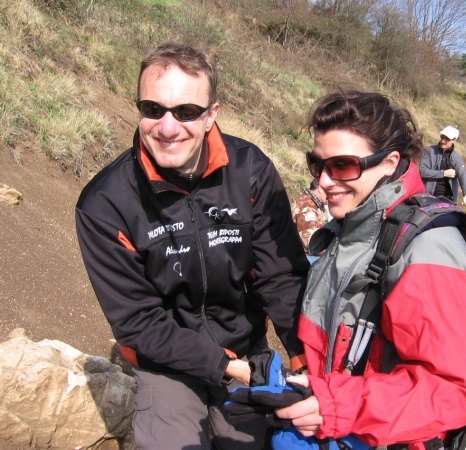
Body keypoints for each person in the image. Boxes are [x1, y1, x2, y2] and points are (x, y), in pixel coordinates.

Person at [75, 42, 309, 450]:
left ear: (211, 114)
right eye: (153, 109)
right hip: (165, 362)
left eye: (186, 111)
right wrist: (226, 367)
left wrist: (304, 359)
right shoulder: (105, 204)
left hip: (245, 347)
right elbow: (138, 322)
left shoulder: (251, 171)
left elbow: (281, 277)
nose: (168, 128)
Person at [275, 91, 466, 449]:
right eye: (317, 164)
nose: (324, 181)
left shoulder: (428, 253)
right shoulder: (354, 227)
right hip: (338, 429)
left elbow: (455, 390)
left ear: (390, 163)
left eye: (342, 165)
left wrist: (337, 405)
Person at [419, 125, 466, 205]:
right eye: (442, 137)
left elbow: (462, 174)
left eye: (447, 139)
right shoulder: (428, 151)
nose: (443, 141)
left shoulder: (456, 158)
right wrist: (443, 173)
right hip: (427, 196)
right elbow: (423, 172)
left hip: (448, 199)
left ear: (454, 140)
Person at [291, 179, 330, 263]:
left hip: (312, 255)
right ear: (320, 188)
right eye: (329, 190)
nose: (331, 194)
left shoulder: (317, 205)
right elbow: (312, 245)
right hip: (304, 257)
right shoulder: (306, 206)